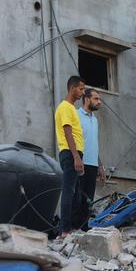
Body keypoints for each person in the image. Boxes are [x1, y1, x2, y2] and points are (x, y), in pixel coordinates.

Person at [55, 76, 86, 236]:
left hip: (73, 153)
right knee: (69, 191)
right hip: (70, 153)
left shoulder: (71, 108)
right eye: (81, 89)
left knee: (75, 193)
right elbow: (68, 132)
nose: (83, 92)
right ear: (72, 88)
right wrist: (76, 157)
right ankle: (65, 229)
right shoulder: (65, 107)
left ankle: (71, 227)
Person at [76, 88, 105, 229]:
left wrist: (100, 166)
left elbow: (94, 144)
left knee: (89, 199)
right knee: (77, 197)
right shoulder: (76, 116)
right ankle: (72, 227)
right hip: (80, 163)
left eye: (99, 99)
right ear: (86, 99)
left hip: (92, 164)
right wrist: (76, 160)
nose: (99, 102)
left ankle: (84, 227)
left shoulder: (95, 119)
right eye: (96, 99)